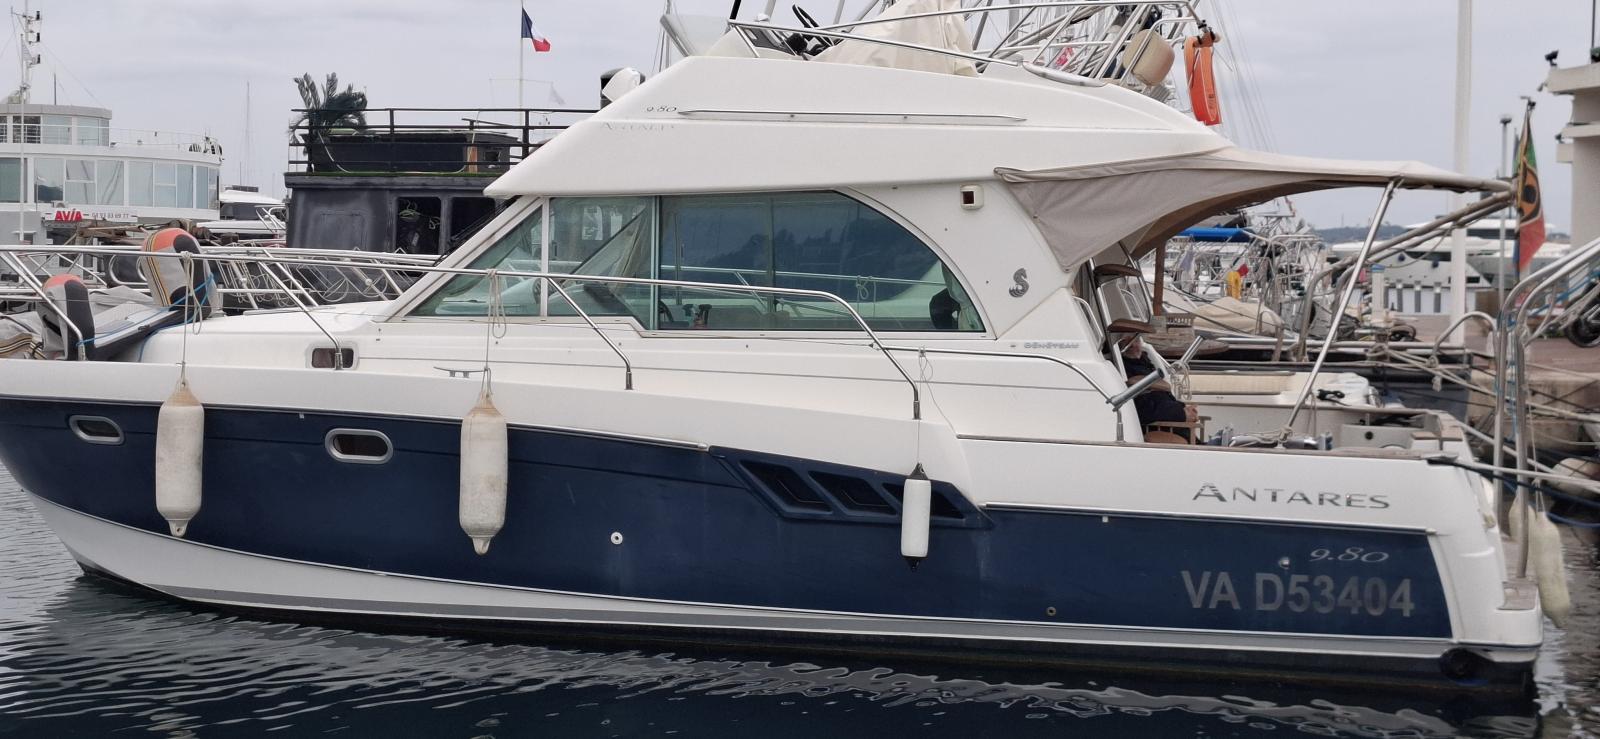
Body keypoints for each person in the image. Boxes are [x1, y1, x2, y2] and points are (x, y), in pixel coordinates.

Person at [1112, 330, 1199, 442]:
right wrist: (1182, 413)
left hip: (1167, 416)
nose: (1133, 345)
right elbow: (1141, 404)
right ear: (1121, 346)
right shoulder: (1124, 367)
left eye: (1136, 341)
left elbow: (1165, 388)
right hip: (1154, 421)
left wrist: (1183, 409)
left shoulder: (1145, 362)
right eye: (1128, 343)